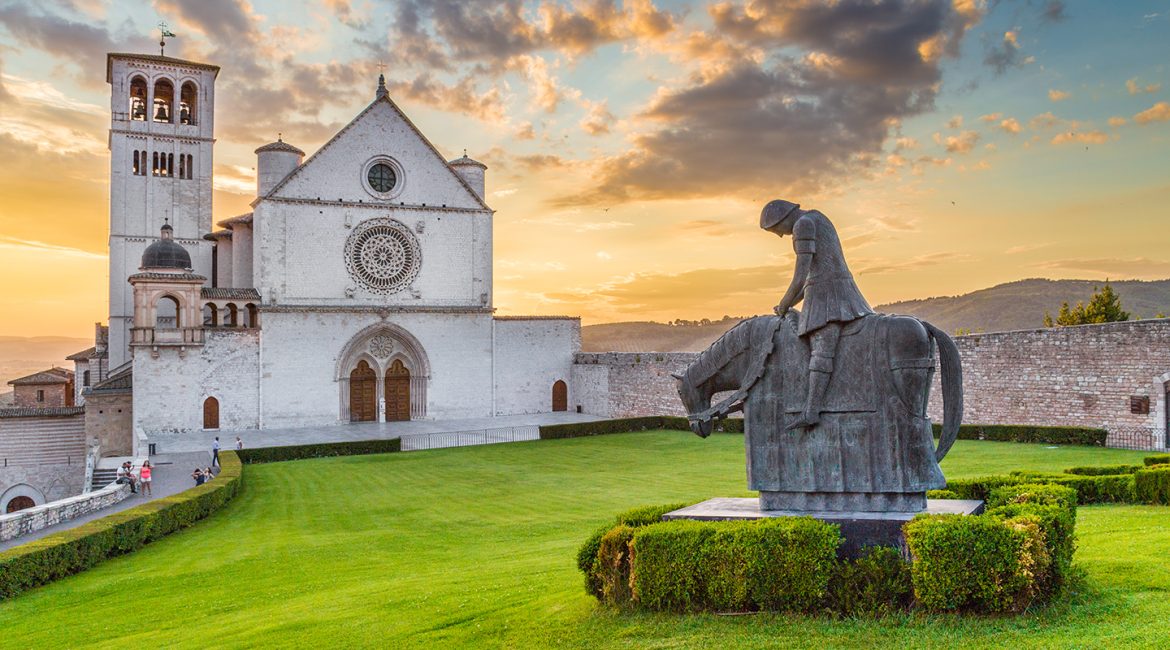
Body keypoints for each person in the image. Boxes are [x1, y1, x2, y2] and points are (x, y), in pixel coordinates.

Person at [761, 199, 874, 431]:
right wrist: (788, 304)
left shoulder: (803, 225)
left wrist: (784, 303)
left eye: (775, 231)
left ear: (782, 219)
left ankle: (811, 410)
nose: (780, 236)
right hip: (828, 289)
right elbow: (812, 278)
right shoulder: (816, 217)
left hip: (830, 295)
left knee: (822, 349)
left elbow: (801, 275)